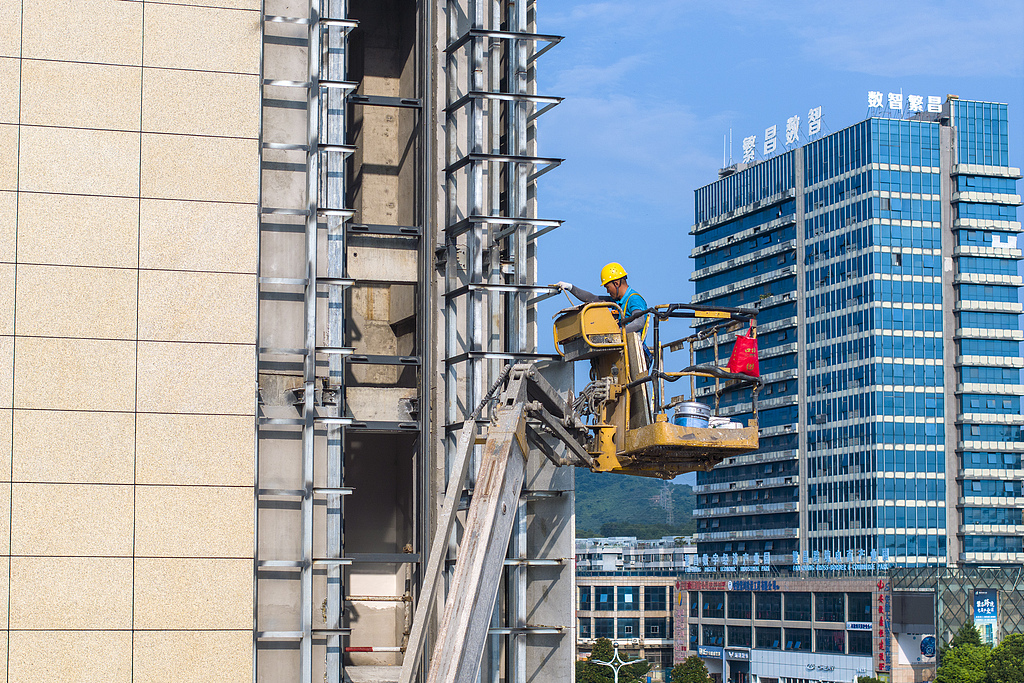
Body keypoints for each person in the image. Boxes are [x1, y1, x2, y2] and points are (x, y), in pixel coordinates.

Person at [554, 262, 649, 334]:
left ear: (616, 283)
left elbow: (639, 323)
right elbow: (593, 299)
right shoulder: (617, 301)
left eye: (607, 287)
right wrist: (570, 287)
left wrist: (616, 333)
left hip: (635, 352)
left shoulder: (634, 299)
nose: (607, 291)